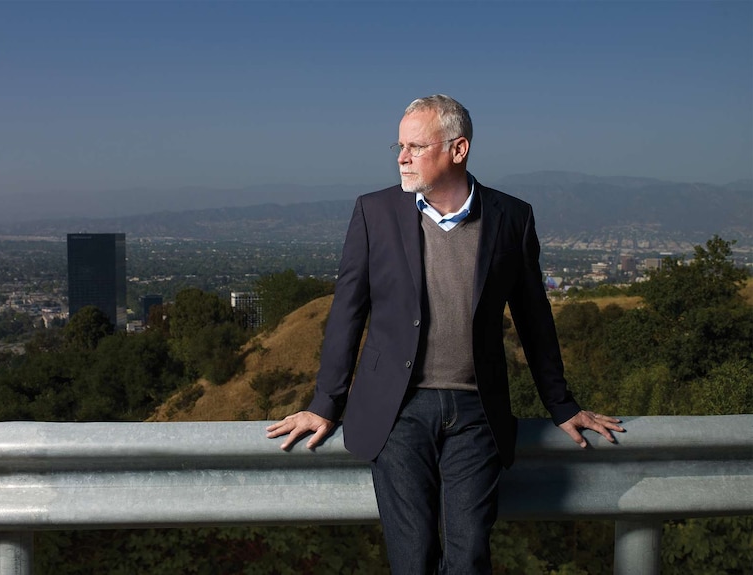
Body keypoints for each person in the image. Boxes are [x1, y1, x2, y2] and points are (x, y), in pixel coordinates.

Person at [266, 94, 624, 574]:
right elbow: (348, 312)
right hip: (397, 412)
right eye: (399, 145)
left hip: (477, 413)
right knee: (412, 561)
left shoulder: (512, 218)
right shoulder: (374, 212)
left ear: (458, 150)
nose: (401, 157)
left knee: (470, 556)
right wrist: (324, 404)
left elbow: (534, 318)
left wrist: (561, 403)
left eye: (416, 146)